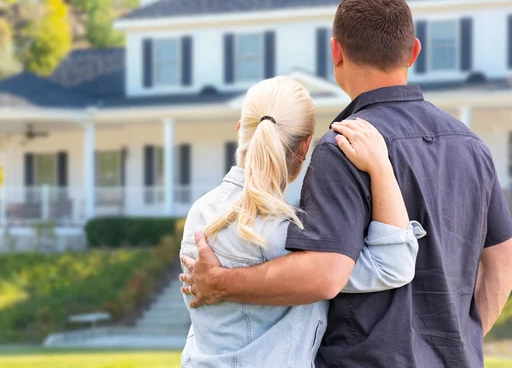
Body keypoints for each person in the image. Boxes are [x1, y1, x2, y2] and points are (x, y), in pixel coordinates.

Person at [180, 0, 512, 368]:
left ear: (336, 53)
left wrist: (221, 283)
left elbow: (323, 273)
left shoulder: (343, 146)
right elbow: (506, 263)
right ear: (413, 53)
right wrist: (459, 345)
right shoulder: (472, 146)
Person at [180, 76, 425, 367]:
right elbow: (392, 264)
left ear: (239, 131)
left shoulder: (200, 212)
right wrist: (381, 167)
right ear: (305, 146)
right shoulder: (290, 233)